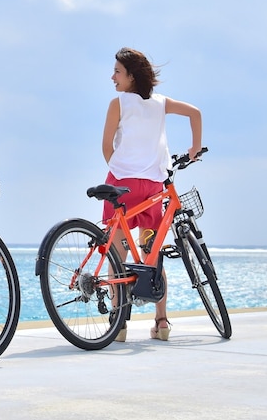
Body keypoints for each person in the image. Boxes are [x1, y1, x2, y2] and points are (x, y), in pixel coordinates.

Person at [101, 47, 202, 342]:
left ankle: (119, 324)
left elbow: (106, 146)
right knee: (152, 253)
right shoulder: (161, 103)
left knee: (117, 255)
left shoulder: (118, 103)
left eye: (117, 72)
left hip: (122, 186)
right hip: (152, 188)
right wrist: (195, 147)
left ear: (132, 76)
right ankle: (161, 322)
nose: (113, 77)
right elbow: (195, 113)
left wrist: (120, 169)